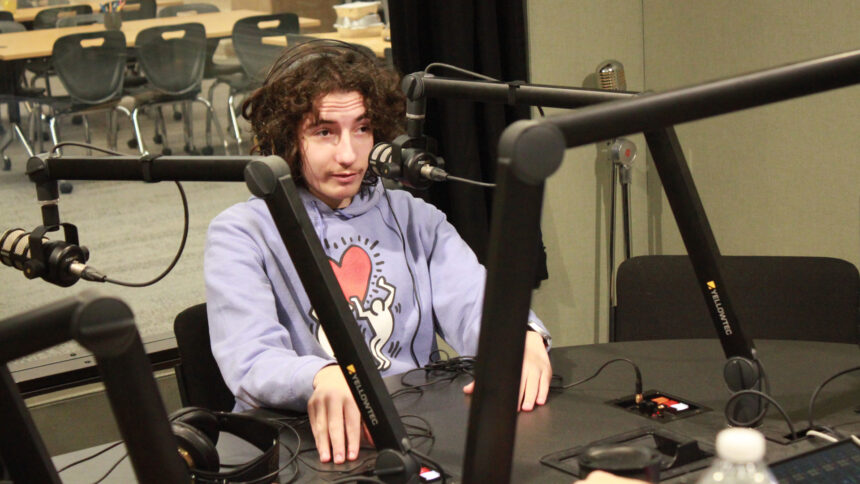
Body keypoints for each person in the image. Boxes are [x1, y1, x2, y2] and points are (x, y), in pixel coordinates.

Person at [204, 40, 553, 465]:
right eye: (324, 131)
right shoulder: (242, 232)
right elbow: (250, 358)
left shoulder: (413, 217)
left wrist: (522, 338)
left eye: (362, 129)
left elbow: (477, 305)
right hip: (305, 445)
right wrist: (320, 376)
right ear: (286, 136)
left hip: (415, 428)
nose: (349, 154)